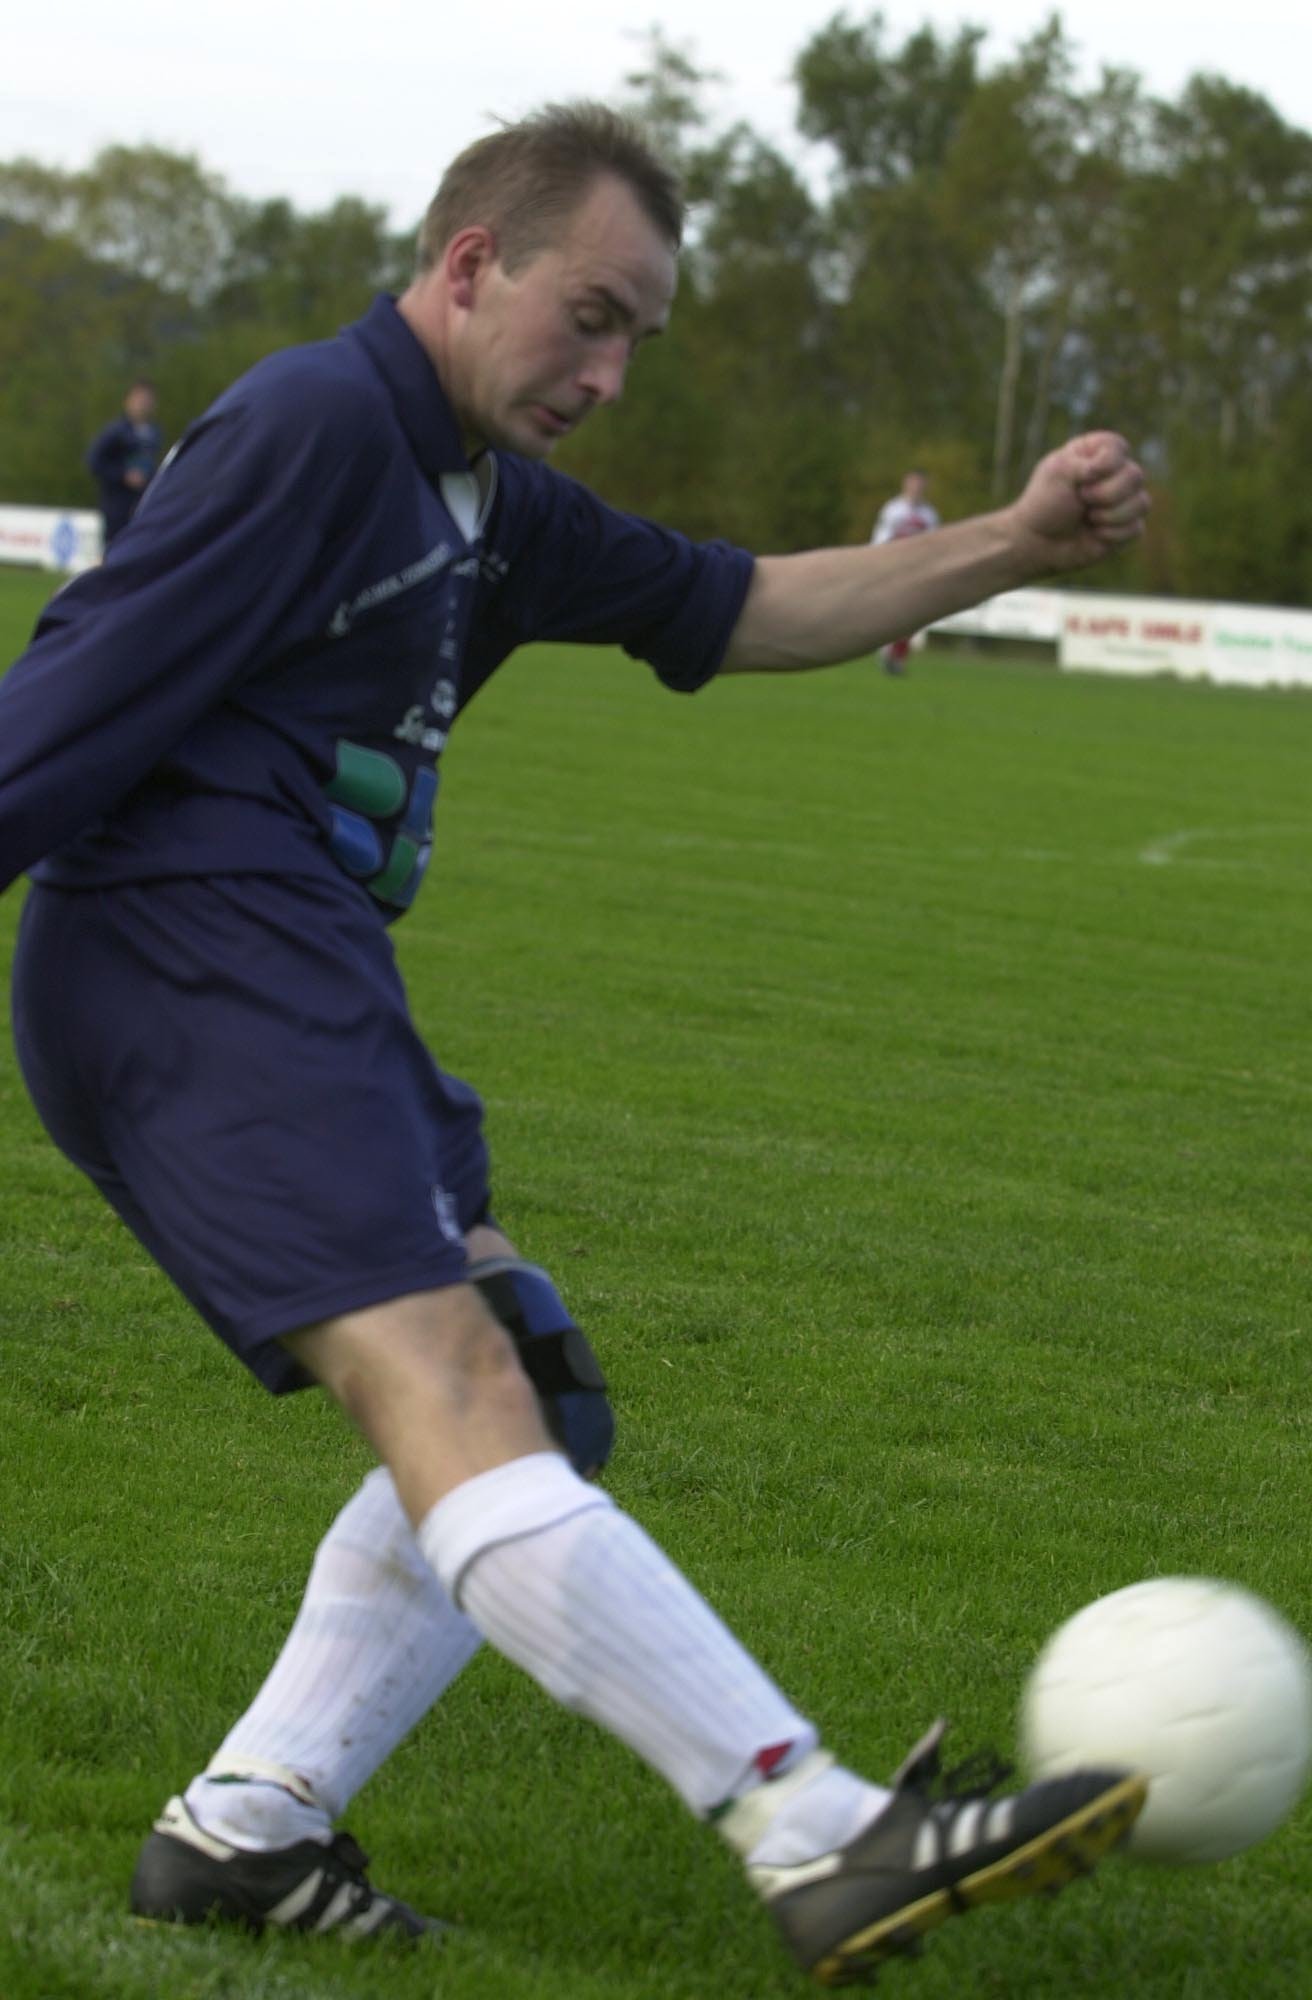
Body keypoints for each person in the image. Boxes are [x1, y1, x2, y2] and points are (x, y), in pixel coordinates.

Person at [0, 104, 1151, 1985]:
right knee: (454, 1378)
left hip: (296, 968)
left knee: (532, 1374)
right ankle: (814, 1828)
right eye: (590, 317)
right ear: (472, 267)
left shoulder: (490, 498)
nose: (608, 374)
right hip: (184, 953)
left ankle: (251, 1831)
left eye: (638, 341)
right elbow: (54, 715)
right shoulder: (316, 426)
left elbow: (747, 605)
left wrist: (1015, 542)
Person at [870, 470, 941, 674]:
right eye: (913, 484)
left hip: (917, 570)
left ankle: (898, 656)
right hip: (894, 567)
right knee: (891, 611)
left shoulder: (929, 514)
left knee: (911, 616)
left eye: (920, 485)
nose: (916, 488)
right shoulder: (893, 509)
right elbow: (881, 537)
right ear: (905, 485)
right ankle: (887, 651)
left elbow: (934, 543)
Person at [84, 379, 164, 548]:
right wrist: (123, 476)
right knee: (115, 549)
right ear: (128, 401)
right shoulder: (116, 432)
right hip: (117, 506)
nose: (143, 405)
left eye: (147, 400)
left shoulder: (154, 433)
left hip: (143, 504)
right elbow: (94, 461)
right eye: (140, 399)